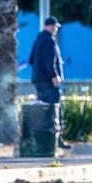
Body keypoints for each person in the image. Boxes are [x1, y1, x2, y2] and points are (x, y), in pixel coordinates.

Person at [29, 16, 71, 149]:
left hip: (38, 80)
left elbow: (31, 60)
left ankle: (44, 141)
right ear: (51, 26)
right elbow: (50, 61)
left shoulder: (38, 40)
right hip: (48, 81)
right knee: (55, 110)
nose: (56, 29)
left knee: (43, 111)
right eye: (55, 27)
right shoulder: (49, 40)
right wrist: (55, 76)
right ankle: (57, 141)